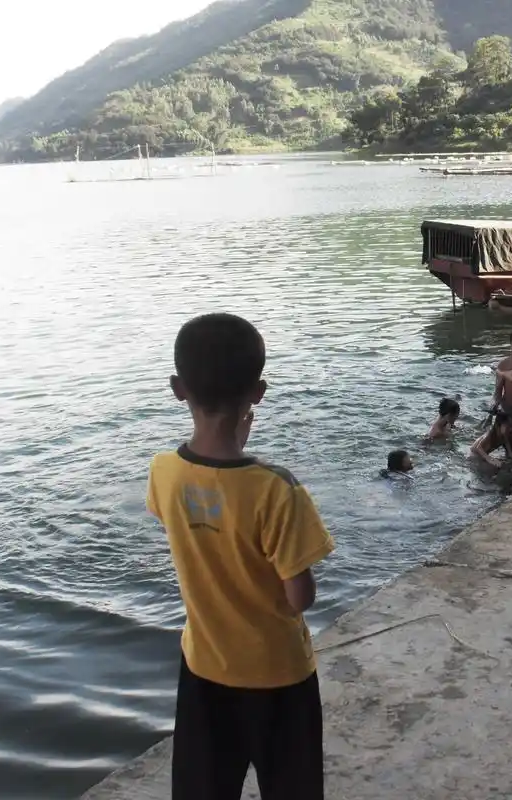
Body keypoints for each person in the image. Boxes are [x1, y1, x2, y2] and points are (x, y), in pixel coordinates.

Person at [146, 313, 333, 800]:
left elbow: (198, 524)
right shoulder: (278, 489)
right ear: (259, 391)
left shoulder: (163, 471)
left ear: (177, 388)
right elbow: (300, 599)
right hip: (278, 677)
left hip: (205, 669)